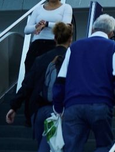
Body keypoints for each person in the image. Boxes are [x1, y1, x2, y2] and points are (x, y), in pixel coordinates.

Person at [53, 14, 115, 152]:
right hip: (101, 103)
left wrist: (58, 107)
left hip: (73, 104)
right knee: (103, 146)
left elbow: (60, 79)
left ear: (93, 29)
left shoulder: (74, 47)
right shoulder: (114, 47)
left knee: (71, 148)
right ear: (111, 33)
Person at [6, 21, 74, 152]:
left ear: (55, 38)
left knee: (44, 144)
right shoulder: (73, 60)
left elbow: (27, 85)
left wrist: (14, 106)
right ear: (70, 39)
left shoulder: (41, 59)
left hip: (38, 110)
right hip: (61, 111)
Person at [22, 0, 73, 71]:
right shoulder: (38, 9)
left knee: (48, 72)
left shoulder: (66, 7)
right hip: (37, 44)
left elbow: (65, 26)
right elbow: (26, 30)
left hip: (54, 44)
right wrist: (37, 26)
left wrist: (47, 24)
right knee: (30, 69)